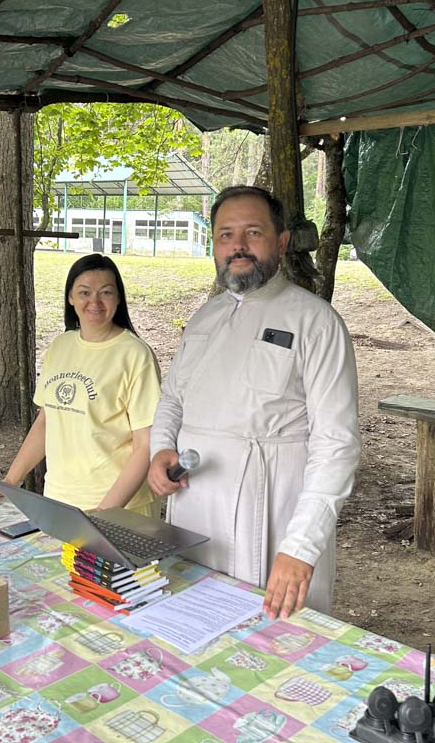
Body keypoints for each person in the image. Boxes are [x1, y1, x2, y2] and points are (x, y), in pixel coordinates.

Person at [148, 185, 360, 619]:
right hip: (194, 504)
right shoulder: (204, 318)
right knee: (193, 619)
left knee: (276, 638)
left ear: (281, 242)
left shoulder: (315, 321)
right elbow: (172, 399)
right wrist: (161, 449)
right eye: (225, 235)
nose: (238, 246)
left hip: (272, 512)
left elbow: (337, 444)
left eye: (253, 233)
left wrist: (301, 546)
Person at [0, 254, 161, 517]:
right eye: (84, 292)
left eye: (106, 292)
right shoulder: (60, 347)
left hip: (121, 507)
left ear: (118, 298)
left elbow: (145, 444)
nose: (94, 302)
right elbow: (46, 422)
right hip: (60, 500)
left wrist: (105, 511)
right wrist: (10, 482)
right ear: (70, 297)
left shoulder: (135, 354)